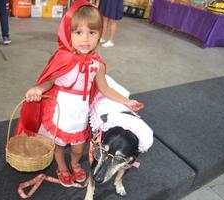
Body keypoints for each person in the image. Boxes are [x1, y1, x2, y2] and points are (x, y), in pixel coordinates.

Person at [14, 0, 141, 187]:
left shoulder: (97, 64)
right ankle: (62, 167)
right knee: (57, 144)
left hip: (79, 114)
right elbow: (48, 81)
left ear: (99, 35)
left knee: (78, 147)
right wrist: (37, 89)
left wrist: (126, 101)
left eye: (92, 32)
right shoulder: (62, 58)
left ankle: (74, 163)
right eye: (78, 32)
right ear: (68, 33)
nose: (85, 39)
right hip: (59, 110)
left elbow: (105, 89)